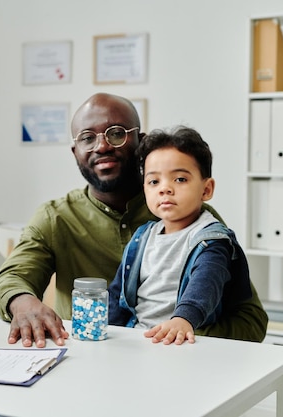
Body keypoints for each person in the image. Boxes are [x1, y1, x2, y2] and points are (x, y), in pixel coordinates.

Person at [0, 93, 267, 348]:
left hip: (181, 367)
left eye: (117, 134)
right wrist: (23, 303)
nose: (102, 146)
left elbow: (250, 320)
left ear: (140, 144)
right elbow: (11, 279)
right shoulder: (55, 218)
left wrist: (169, 336)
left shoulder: (192, 219)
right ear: (75, 152)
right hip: (89, 361)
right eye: (87, 138)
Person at [108, 126, 257, 345]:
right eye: (154, 181)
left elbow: (206, 282)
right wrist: (107, 329)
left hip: (181, 340)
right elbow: (117, 293)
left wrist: (183, 318)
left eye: (179, 179)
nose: (165, 189)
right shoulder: (142, 237)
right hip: (138, 338)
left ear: (206, 190)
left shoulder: (211, 240)